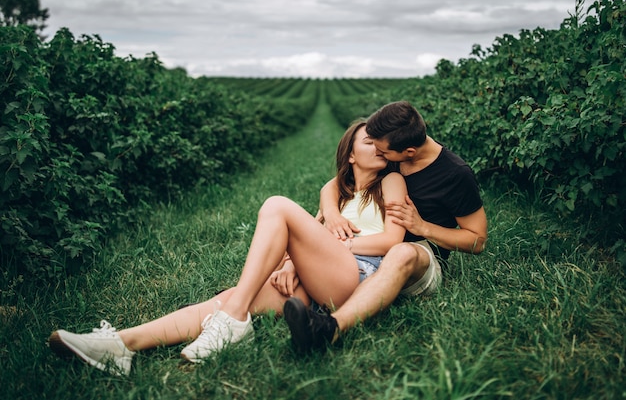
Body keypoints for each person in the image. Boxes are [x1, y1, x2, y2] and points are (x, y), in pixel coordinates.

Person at [48, 121, 408, 376]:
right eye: (368, 141)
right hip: (319, 282)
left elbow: (393, 240)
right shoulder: (336, 192)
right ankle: (122, 345)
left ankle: (233, 324)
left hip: (359, 275)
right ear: (349, 155)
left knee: (277, 205)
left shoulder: (391, 181)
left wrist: (339, 243)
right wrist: (290, 264)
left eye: (380, 143)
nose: (378, 146)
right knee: (232, 298)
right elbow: (310, 238)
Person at [283, 100, 488, 352]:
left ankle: (330, 328)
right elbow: (338, 181)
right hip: (372, 250)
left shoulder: (455, 174)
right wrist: (331, 212)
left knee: (401, 251)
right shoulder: (391, 146)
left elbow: (477, 240)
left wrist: (423, 227)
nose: (378, 154)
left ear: (409, 152)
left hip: (418, 257)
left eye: (383, 152)